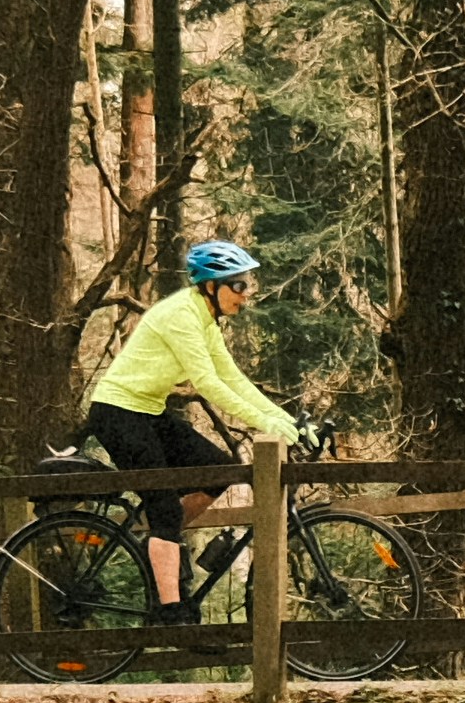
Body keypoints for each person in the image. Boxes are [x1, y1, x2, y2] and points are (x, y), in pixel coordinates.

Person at [79, 237, 300, 618]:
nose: (245, 295)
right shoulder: (181, 314)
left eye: (248, 285)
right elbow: (208, 383)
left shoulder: (205, 319)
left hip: (147, 410)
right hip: (118, 412)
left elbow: (232, 377)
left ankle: (159, 541)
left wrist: (284, 419)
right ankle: (171, 611)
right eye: (240, 285)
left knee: (218, 471)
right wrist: (264, 421)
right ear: (212, 286)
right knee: (163, 507)